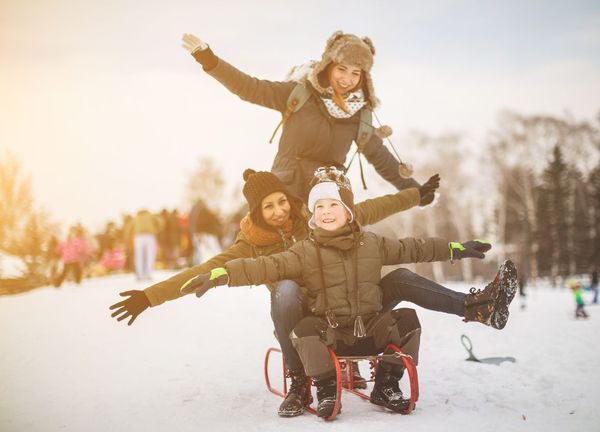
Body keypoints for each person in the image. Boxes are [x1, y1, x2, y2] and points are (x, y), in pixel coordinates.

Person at [179, 169, 518, 418]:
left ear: (348, 210)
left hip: (370, 326)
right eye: (319, 208)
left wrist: (456, 249)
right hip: (330, 335)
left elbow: (414, 247)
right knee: (304, 328)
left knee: (405, 301)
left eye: (333, 205)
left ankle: (470, 313)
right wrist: (221, 274)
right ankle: (323, 384)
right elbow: (262, 267)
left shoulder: (372, 243)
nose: (325, 213)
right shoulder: (304, 251)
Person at [110, 167, 440, 416]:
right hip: (299, 316)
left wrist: (416, 195)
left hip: (343, 308)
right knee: (285, 288)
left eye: (282, 201)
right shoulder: (249, 245)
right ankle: (299, 379)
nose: (280, 211)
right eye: (268, 207)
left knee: (380, 275)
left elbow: (373, 208)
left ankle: (364, 354)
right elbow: (202, 271)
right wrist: (149, 297)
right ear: (257, 214)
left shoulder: (318, 216)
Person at [181, 31, 428, 203]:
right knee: (288, 268)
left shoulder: (360, 114)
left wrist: (416, 191)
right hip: (286, 193)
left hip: (327, 198)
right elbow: (249, 87)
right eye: (342, 69)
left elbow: (380, 157)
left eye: (356, 73)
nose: (347, 79)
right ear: (329, 65)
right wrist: (210, 61)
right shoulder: (300, 94)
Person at [125, 209, 162, 281]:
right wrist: (156, 229)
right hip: (149, 236)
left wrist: (128, 236)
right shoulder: (151, 216)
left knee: (139, 256)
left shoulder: (136, 217)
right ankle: (149, 275)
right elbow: (161, 221)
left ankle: (140, 275)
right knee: (150, 255)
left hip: (138, 237)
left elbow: (128, 228)